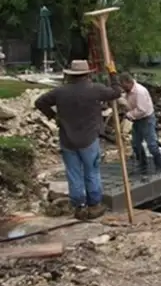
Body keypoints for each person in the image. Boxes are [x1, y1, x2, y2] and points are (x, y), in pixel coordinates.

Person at [34, 60, 122, 220]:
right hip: (89, 139)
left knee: (73, 174)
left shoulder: (60, 92)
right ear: (88, 74)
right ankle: (94, 204)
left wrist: (54, 116)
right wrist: (113, 74)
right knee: (92, 172)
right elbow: (116, 92)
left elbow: (39, 102)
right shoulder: (95, 89)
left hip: (67, 139)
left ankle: (79, 206)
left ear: (70, 75)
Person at [118, 72, 161, 176]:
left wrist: (129, 115)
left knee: (152, 144)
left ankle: (159, 167)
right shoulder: (128, 91)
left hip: (146, 119)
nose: (122, 87)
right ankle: (143, 166)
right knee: (135, 144)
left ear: (128, 82)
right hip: (137, 120)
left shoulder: (140, 92)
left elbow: (142, 110)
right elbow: (127, 101)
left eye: (123, 85)